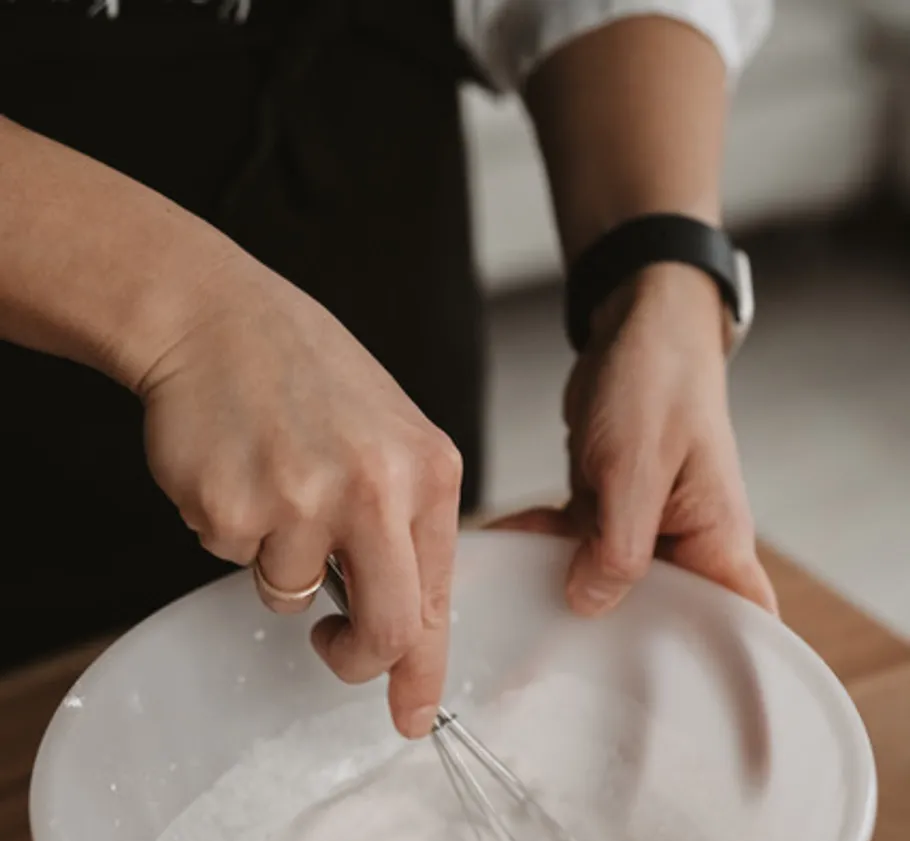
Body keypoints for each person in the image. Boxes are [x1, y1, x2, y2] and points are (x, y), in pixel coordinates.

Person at [0, 0, 776, 739]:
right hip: (30, 469)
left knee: (405, 618)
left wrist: (657, 270)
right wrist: (188, 314)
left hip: (376, 233)